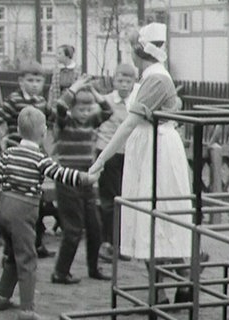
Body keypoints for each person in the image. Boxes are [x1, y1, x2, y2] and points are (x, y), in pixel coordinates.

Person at [89, 23, 194, 304]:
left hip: (156, 152)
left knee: (157, 219)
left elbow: (128, 124)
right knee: (148, 220)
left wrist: (101, 159)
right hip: (148, 149)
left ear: (139, 52)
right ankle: (168, 288)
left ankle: (178, 283)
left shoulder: (156, 79)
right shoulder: (151, 77)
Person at [0, 107, 100, 320]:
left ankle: (1, 297)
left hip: (4, 209)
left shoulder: (8, 154)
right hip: (24, 210)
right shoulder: (39, 158)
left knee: (13, 252)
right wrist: (86, 178)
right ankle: (27, 309)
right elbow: (61, 174)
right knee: (27, 258)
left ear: (19, 131)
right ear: (43, 132)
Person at [0, 60, 56, 258]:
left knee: (36, 199)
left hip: (36, 158)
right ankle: (10, 248)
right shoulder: (13, 101)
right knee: (15, 201)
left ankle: (37, 243)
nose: (34, 84)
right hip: (16, 159)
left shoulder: (41, 102)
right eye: (30, 80)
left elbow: (55, 119)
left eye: (38, 80)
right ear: (21, 81)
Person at [50, 75, 112, 284]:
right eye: (81, 110)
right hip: (68, 181)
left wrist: (94, 92)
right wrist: (75, 87)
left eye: (88, 109)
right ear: (72, 110)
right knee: (73, 229)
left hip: (87, 180)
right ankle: (60, 272)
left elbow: (107, 110)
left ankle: (93, 268)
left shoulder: (93, 121)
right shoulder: (65, 122)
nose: (85, 114)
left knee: (95, 227)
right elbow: (59, 105)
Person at [95, 63, 139, 263]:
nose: (124, 85)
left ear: (133, 83)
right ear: (114, 81)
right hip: (108, 151)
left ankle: (122, 243)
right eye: (120, 80)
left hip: (129, 154)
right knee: (109, 199)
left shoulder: (135, 103)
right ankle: (107, 243)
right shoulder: (106, 101)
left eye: (128, 81)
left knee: (126, 198)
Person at [47, 44, 80, 110]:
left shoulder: (77, 70)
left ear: (67, 55)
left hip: (72, 105)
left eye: (59, 53)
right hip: (57, 104)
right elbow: (52, 89)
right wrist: (50, 103)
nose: (57, 56)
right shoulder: (57, 70)